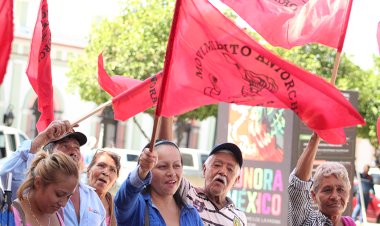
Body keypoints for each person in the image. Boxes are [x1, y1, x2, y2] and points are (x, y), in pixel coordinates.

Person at [0, 120, 106, 226]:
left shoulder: (93, 197)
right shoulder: (33, 189)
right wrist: (42, 139)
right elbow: (8, 173)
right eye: (65, 146)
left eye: (77, 148)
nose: (73, 152)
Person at [114, 139, 204, 226]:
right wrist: (142, 170)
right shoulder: (135, 207)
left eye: (177, 166)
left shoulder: (191, 214)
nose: (171, 173)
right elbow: (125, 196)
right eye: (163, 166)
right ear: (148, 170)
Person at [288, 133, 356, 226]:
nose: (335, 196)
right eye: (327, 190)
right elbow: (299, 185)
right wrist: (316, 138)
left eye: (340, 189)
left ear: (348, 194)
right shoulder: (308, 221)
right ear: (314, 196)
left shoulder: (349, 223)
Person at [179, 142, 247, 226]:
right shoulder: (186, 192)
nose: (223, 172)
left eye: (230, 169)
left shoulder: (240, 218)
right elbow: (165, 153)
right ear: (204, 170)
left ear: (236, 181)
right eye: (217, 165)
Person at [12, 151, 79, 226]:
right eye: (59, 194)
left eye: (68, 197)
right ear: (38, 183)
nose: (63, 204)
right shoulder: (13, 214)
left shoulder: (59, 212)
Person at [87, 149, 121, 226]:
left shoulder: (117, 205)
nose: (106, 172)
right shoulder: (75, 197)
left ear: (114, 181)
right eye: (101, 165)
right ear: (89, 170)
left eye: (112, 170)